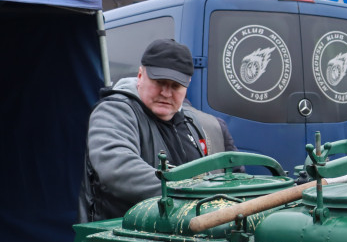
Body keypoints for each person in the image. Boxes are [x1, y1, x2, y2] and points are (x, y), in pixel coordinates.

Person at [78, 38, 238, 222]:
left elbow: (234, 175)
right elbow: (118, 168)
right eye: (159, 82)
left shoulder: (193, 122)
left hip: (184, 238)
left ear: (187, 86)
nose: (166, 93)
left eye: (176, 86)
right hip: (122, 238)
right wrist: (193, 192)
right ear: (140, 75)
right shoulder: (114, 111)